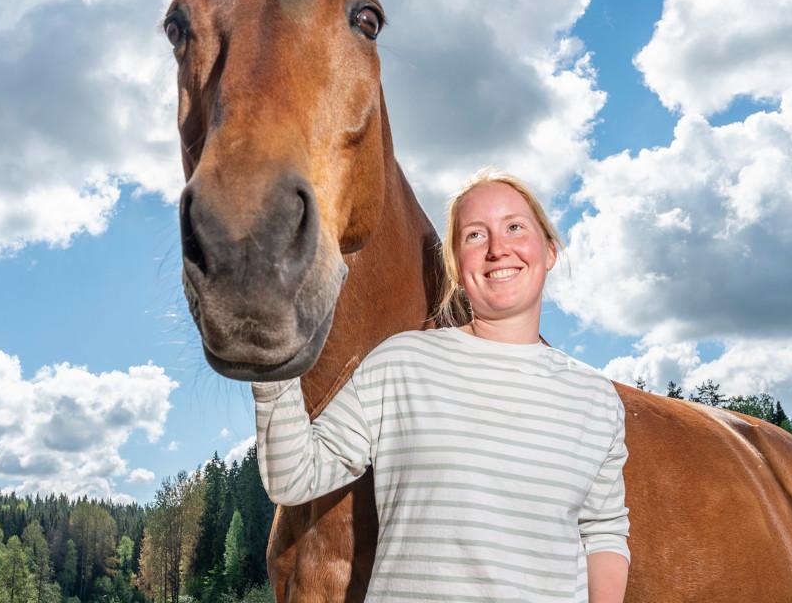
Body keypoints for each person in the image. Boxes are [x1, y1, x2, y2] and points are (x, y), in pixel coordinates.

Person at [252, 168, 631, 602]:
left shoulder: (595, 399)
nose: (497, 248)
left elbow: (603, 531)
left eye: (514, 227)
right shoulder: (402, 362)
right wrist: (272, 355)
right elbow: (295, 477)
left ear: (548, 251)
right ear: (455, 265)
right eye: (474, 235)